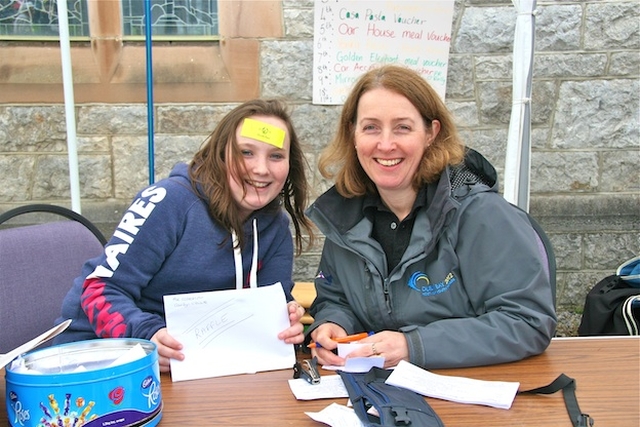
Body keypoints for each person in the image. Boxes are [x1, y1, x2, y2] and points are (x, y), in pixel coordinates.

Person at [305, 65, 557, 370]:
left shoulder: (483, 216)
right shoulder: (343, 218)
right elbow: (336, 298)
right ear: (353, 134)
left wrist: (414, 346)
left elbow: (528, 321)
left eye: (403, 127)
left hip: (476, 394)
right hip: (384, 396)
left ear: (431, 134)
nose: (385, 144)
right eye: (371, 127)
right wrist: (334, 325)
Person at [54, 99, 314, 372]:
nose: (261, 169)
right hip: (101, 361)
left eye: (276, 156)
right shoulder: (169, 201)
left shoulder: (275, 226)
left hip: (201, 368)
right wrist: (148, 335)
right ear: (221, 155)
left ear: (289, 165)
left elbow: (269, 304)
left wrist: (285, 319)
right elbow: (98, 290)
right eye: (246, 152)